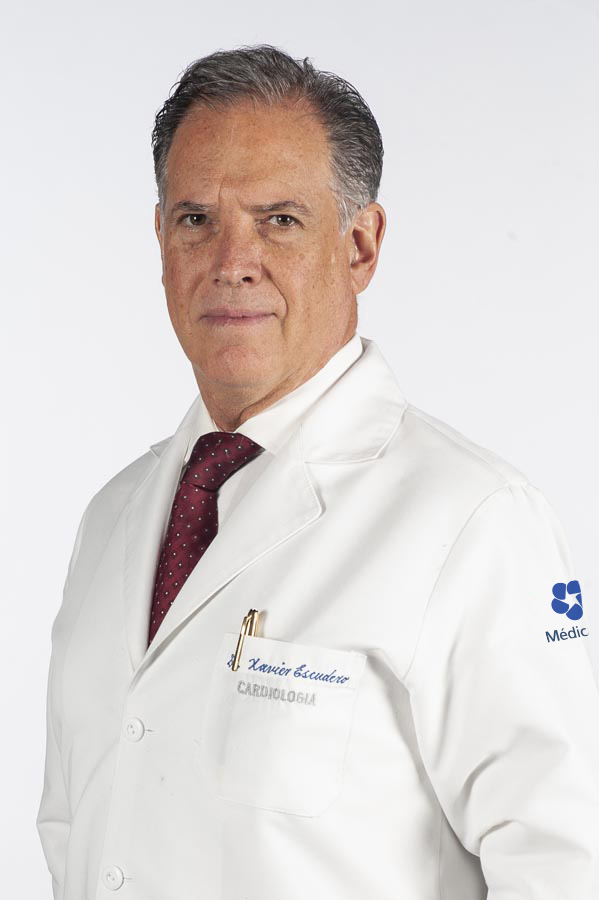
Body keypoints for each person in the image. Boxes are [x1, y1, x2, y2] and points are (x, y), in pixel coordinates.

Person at [36, 44, 599, 900]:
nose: (231, 260)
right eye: (196, 219)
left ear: (360, 246)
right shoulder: (114, 517)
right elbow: (75, 831)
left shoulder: (474, 521)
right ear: (159, 240)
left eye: (279, 220)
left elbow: (566, 863)